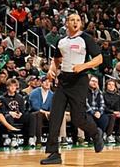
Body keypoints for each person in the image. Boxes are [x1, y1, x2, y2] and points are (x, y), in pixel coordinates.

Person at [41, 12, 104, 165]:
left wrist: (84, 66)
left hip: (79, 81)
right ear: (66, 23)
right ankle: (54, 153)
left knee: (78, 119)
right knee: (55, 116)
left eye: (78, 20)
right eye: (72, 20)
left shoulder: (86, 38)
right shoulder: (61, 41)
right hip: (63, 81)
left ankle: (96, 133)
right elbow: (56, 60)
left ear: (80, 23)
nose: (75, 22)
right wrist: (51, 70)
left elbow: (99, 59)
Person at [103, 79, 120, 143]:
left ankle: (119, 135)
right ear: (106, 86)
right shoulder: (103, 95)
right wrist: (112, 112)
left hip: (114, 112)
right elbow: (103, 107)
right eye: (109, 84)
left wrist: (118, 112)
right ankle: (109, 135)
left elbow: (118, 106)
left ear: (115, 87)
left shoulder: (117, 96)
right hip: (106, 113)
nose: (111, 86)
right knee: (112, 116)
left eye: (113, 85)